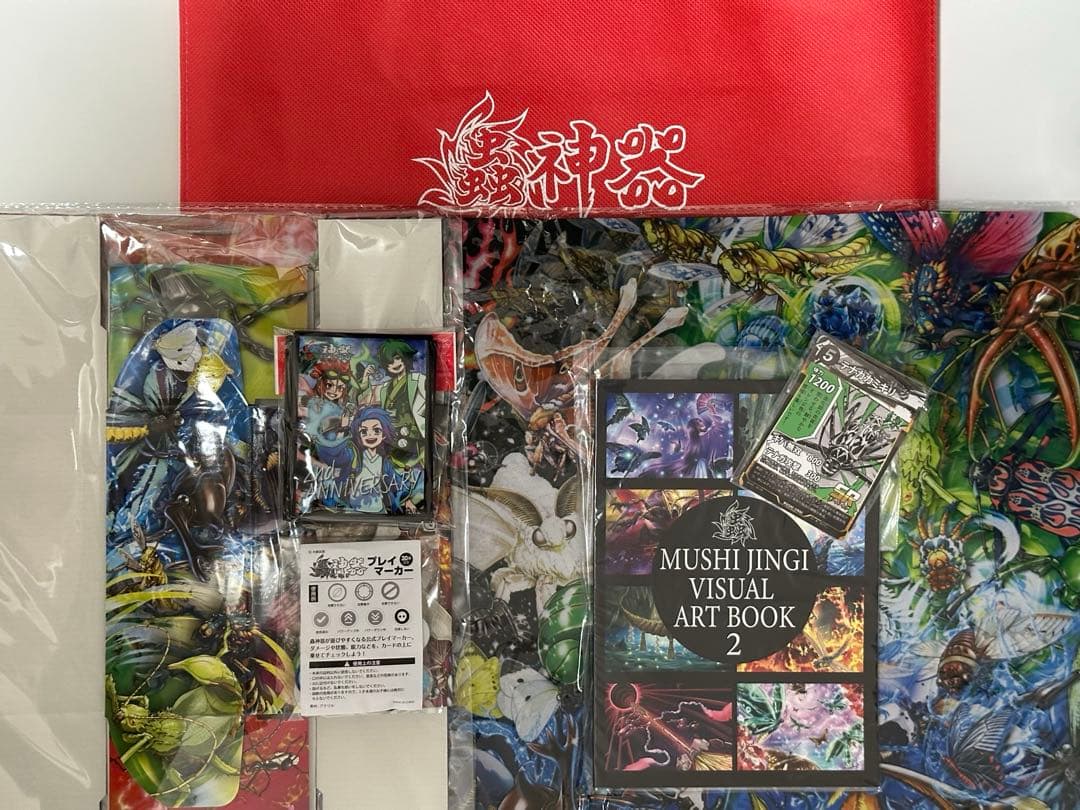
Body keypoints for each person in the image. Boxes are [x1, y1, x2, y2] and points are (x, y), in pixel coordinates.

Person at [357, 339, 427, 467]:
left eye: (397, 358)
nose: (394, 364)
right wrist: (365, 379)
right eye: (389, 362)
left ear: (405, 358)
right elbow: (363, 402)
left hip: (416, 438)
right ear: (385, 366)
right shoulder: (384, 387)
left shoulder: (419, 380)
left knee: (420, 470)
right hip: (393, 440)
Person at [345, 406, 423, 514]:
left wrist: (407, 500)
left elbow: (396, 483)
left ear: (384, 435)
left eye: (376, 430)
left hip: (379, 511)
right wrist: (342, 430)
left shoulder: (384, 462)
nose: (370, 435)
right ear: (358, 436)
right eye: (364, 431)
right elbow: (338, 456)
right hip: (353, 511)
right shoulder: (355, 456)